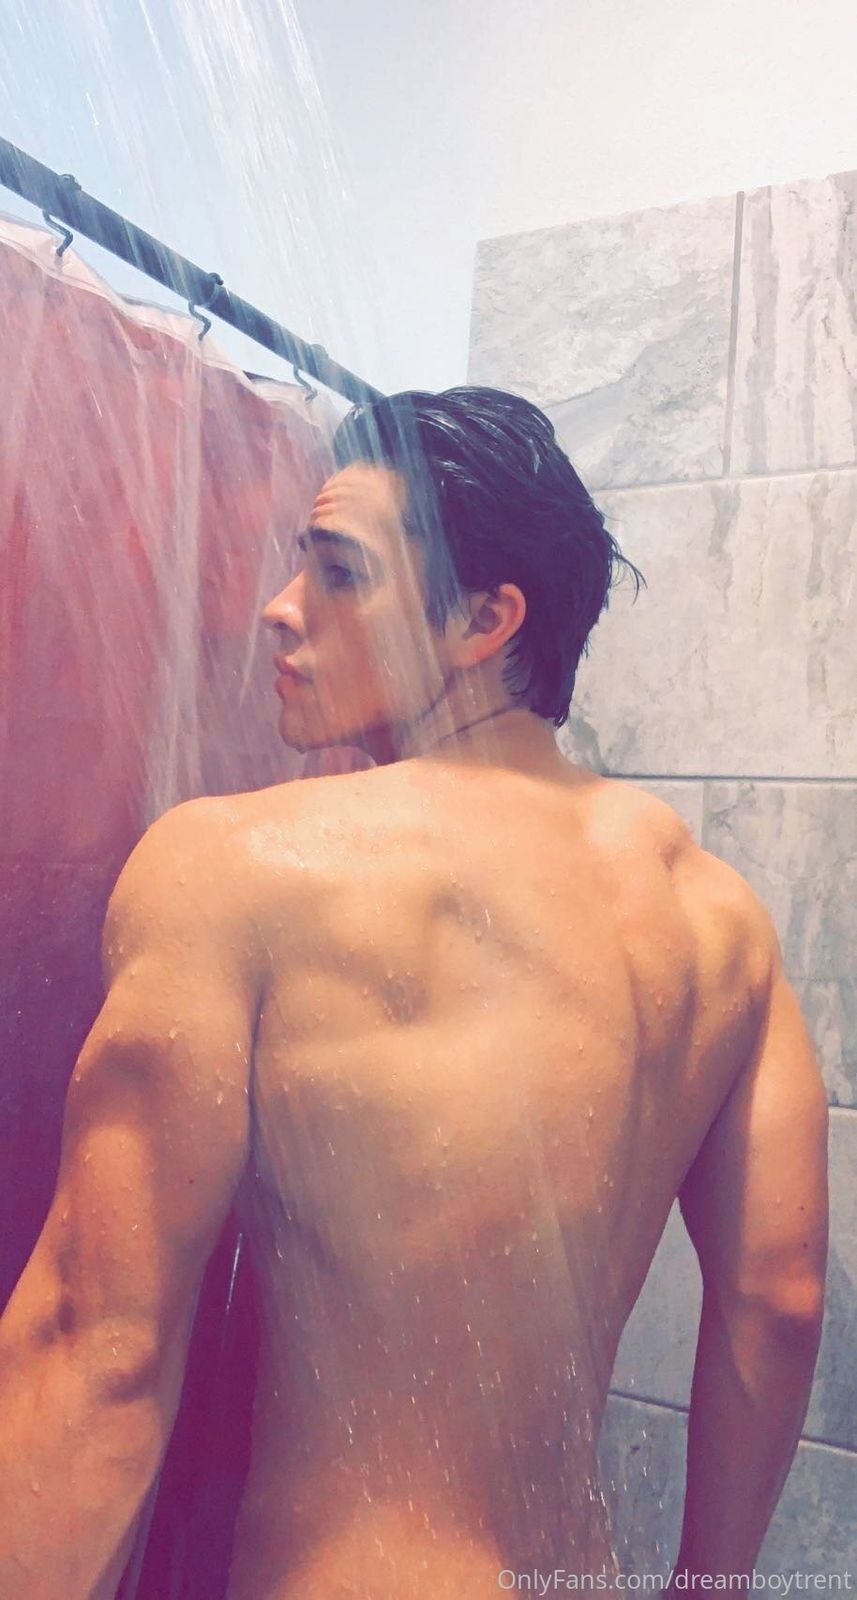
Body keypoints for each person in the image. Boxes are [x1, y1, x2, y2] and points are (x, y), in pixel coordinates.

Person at [0, 387, 829, 1599]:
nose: (279, 607)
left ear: (484, 620)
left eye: (339, 573)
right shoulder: (715, 915)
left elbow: (94, 1347)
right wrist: (708, 1584)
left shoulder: (240, 864)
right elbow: (778, 1302)